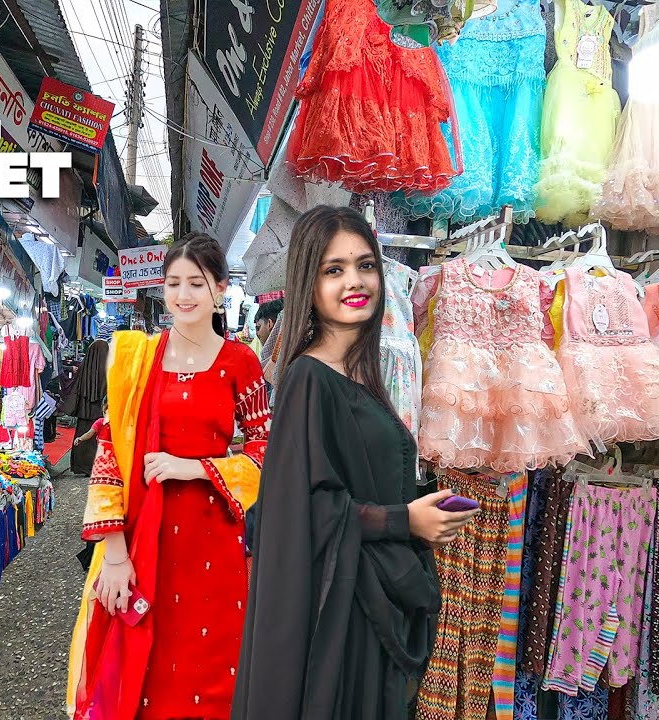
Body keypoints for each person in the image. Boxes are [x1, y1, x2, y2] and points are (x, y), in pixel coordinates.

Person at [232, 206, 479, 720]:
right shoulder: (308, 379)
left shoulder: (361, 375)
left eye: (365, 265)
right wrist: (404, 520)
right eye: (334, 269)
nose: (354, 281)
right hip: (339, 612)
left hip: (367, 601)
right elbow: (300, 510)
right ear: (309, 280)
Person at [67, 233, 271, 720]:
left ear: (220, 289)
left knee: (212, 666)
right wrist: (113, 555)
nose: (183, 295)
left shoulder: (240, 363)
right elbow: (112, 452)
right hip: (144, 538)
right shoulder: (138, 360)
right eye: (173, 283)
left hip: (214, 542)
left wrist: (197, 469)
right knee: (144, 666)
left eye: (196, 284)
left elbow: (268, 452)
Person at [63, 339, 109, 475]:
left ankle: (81, 466)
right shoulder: (108, 368)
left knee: (83, 434)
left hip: (84, 408)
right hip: (100, 409)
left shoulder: (85, 366)